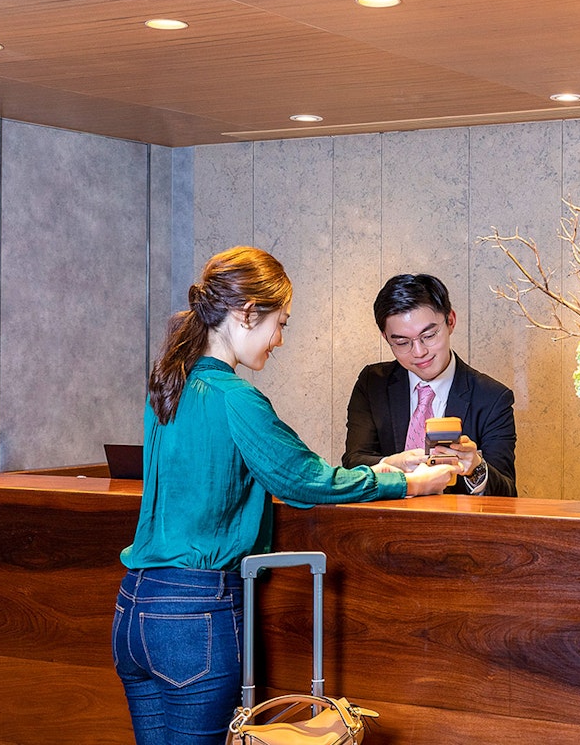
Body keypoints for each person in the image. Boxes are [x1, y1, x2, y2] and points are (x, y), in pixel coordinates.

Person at [112, 247, 454, 744]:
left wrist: (381, 464)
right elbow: (303, 480)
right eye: (281, 323)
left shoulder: (170, 384)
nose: (278, 340)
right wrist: (404, 481)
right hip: (195, 616)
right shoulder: (236, 397)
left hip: (135, 609)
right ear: (247, 313)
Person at [343, 273, 518, 497]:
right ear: (386, 337)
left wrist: (476, 467)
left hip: (458, 528)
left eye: (429, 335)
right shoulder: (372, 383)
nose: (419, 352)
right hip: (386, 523)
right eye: (402, 342)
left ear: (450, 321)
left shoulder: (492, 398)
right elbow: (353, 462)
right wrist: (393, 464)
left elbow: (507, 492)